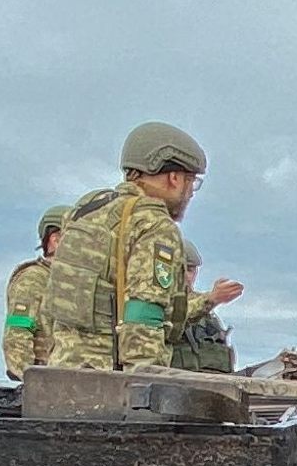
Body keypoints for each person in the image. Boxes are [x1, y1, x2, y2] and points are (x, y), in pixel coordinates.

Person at [43, 122, 210, 370]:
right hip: (111, 381)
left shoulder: (86, 210)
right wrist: (145, 383)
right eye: (190, 182)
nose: (190, 193)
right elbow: (143, 314)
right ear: (174, 178)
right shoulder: (153, 224)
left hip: (61, 373)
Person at [1, 205, 69, 379]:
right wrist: (30, 383)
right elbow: (17, 334)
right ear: (56, 239)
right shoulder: (34, 279)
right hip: (44, 384)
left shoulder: (70, 283)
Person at [171, 241, 241, 372]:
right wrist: (211, 299)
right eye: (181, 268)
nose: (186, 275)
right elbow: (174, 316)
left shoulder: (207, 312)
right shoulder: (158, 299)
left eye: (190, 270)